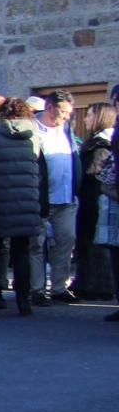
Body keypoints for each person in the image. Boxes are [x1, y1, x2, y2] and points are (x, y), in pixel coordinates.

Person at [0, 94, 47, 317]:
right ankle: (23, 303)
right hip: (25, 201)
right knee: (21, 252)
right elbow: (42, 171)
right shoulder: (34, 137)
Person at [32, 94, 80, 305]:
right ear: (50, 107)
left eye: (69, 112)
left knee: (66, 241)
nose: (66, 116)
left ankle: (59, 286)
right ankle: (37, 289)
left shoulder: (66, 130)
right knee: (36, 245)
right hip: (41, 198)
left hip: (66, 198)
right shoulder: (33, 128)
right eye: (63, 111)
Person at [76, 102, 116, 301]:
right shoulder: (96, 143)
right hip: (91, 201)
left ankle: (98, 286)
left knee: (96, 244)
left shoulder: (101, 145)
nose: (85, 118)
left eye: (90, 115)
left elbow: (95, 175)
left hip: (95, 202)